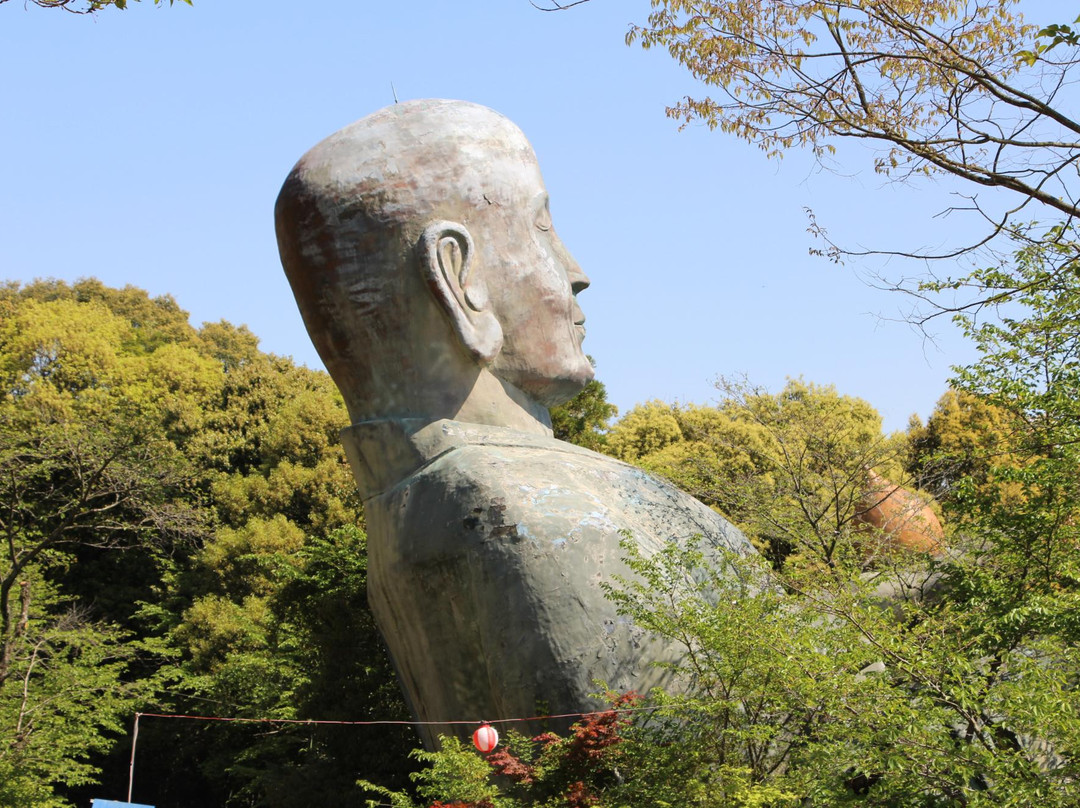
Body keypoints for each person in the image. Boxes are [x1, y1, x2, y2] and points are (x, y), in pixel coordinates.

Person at [276, 99, 753, 748]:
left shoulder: (422, 510)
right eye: (544, 229)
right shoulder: (546, 518)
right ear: (457, 276)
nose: (577, 272)